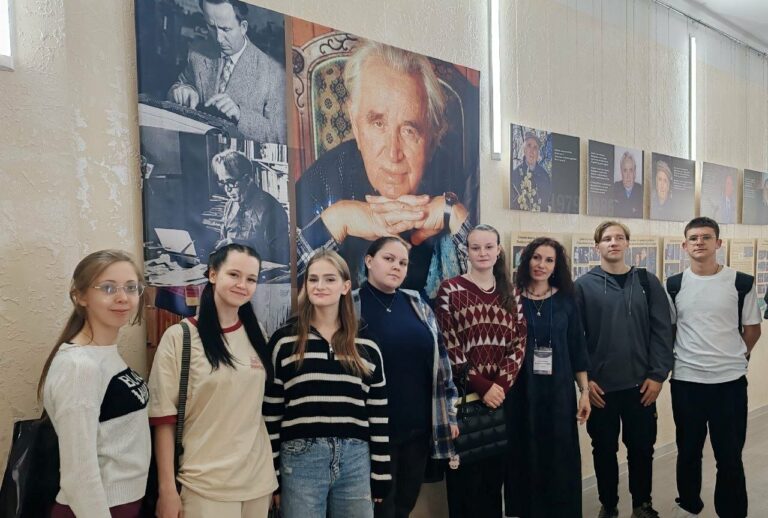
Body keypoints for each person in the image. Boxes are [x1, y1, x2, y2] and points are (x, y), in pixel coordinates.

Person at [294, 39, 472, 298]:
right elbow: (278, 292)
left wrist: (453, 213)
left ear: (432, 137)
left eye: (410, 130)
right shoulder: (319, 182)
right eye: (378, 124)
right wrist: (339, 219)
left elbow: (492, 286)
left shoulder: (456, 174)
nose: (393, 153)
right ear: (355, 124)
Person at [149, 242, 276, 518]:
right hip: (203, 485)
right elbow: (163, 420)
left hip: (258, 481)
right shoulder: (180, 337)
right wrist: (167, 489)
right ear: (213, 274)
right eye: (234, 274)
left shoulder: (257, 335)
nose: (242, 285)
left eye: (251, 279)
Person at [264, 250, 391, 518]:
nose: (319, 286)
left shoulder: (367, 343)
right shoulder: (284, 341)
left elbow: (378, 412)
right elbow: (271, 414)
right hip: (300, 461)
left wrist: (381, 471)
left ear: (345, 286)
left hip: (356, 460)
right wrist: (272, 475)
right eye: (313, 279)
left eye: (330, 279)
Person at [352, 237, 459, 518]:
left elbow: (441, 363)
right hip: (372, 433)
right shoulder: (350, 306)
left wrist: (449, 413)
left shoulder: (417, 303)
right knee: (379, 509)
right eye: (388, 259)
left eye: (403, 262)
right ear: (369, 261)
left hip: (418, 430)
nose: (396, 267)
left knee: (404, 506)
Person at [39, 250, 151, 517]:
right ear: (80, 296)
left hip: (123, 503)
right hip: (96, 508)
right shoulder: (79, 366)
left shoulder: (105, 353)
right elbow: (78, 475)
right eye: (108, 288)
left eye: (131, 287)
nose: (123, 297)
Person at [574, 221, 673, 518]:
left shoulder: (647, 282)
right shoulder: (583, 286)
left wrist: (658, 375)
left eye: (619, 238)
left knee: (642, 449)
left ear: (628, 243)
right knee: (604, 450)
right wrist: (585, 383)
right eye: (607, 239)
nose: (613, 242)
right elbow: (575, 339)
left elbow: (662, 331)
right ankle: (609, 505)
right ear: (597, 247)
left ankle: (642, 505)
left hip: (641, 387)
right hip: (601, 390)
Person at [666, 217, 762, 518]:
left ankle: (732, 512)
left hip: (729, 384)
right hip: (687, 382)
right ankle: (689, 505)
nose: (699, 242)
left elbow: (752, 329)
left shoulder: (741, 283)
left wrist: (734, 357)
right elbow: (671, 330)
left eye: (706, 237)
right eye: (693, 238)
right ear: (684, 245)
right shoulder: (674, 285)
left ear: (718, 243)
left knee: (729, 456)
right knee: (688, 452)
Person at [435, 224, 527, 518]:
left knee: (493, 483)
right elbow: (447, 343)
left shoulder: (511, 293)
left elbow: (519, 343)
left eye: (489, 247)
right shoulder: (450, 290)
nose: (482, 253)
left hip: (501, 400)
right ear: (467, 251)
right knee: (464, 485)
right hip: (465, 402)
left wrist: (499, 386)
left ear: (498, 250)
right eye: (475, 247)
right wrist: (482, 386)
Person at [505, 237, 590, 518]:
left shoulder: (567, 300)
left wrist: (584, 392)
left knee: (559, 456)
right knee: (524, 454)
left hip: (558, 393)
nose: (541, 265)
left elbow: (577, 347)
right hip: (521, 392)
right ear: (526, 260)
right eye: (536, 257)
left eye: (549, 260)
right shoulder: (511, 298)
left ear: (556, 266)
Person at [168, 0, 286, 144]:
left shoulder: (272, 72)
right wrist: (182, 90)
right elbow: (181, 84)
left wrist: (240, 115)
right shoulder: (197, 53)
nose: (218, 39)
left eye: (226, 29)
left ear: (243, 27)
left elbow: (279, 136)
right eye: (212, 27)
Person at [212, 149, 289, 264]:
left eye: (231, 182)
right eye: (223, 183)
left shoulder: (271, 208)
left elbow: (280, 255)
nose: (227, 189)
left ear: (247, 179)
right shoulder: (229, 205)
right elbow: (223, 241)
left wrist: (242, 246)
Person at [511, 132, 552, 212]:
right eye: (529, 146)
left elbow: (549, 202)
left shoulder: (545, 176)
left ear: (538, 153)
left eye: (535, 147)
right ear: (524, 150)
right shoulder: (515, 175)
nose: (532, 151)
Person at [612, 152, 643, 219]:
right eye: (625, 170)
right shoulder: (614, 188)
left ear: (635, 172)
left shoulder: (641, 191)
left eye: (631, 170)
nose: (628, 176)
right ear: (621, 172)